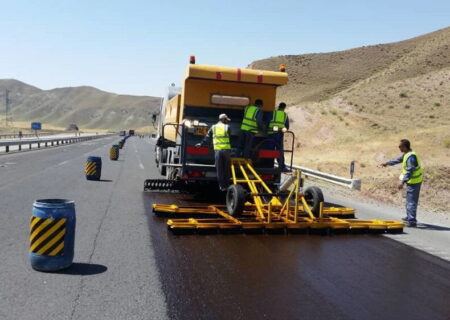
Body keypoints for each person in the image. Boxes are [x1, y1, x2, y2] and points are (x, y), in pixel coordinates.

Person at [380, 139, 423, 227]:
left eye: (400, 146)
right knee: (409, 200)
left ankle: (412, 221)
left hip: (415, 181)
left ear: (404, 147)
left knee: (411, 201)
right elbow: (398, 160)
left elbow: (409, 170)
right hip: (411, 181)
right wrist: (387, 163)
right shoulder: (407, 154)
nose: (399, 148)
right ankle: (409, 216)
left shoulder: (411, 157)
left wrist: (402, 182)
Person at [196, 114, 232, 191]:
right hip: (226, 151)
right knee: (226, 169)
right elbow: (230, 136)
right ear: (223, 120)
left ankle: (222, 186)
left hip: (218, 151)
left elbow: (207, 137)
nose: (227, 121)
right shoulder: (227, 127)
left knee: (219, 169)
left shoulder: (213, 127)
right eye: (226, 120)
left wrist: (201, 144)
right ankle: (227, 185)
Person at [267, 102, 290, 172]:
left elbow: (267, 122)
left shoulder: (273, 113)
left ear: (278, 107)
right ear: (284, 108)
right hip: (279, 135)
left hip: (271, 134)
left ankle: (269, 165)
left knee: (270, 150)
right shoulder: (285, 115)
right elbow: (287, 127)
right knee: (279, 151)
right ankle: (282, 166)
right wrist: (283, 130)